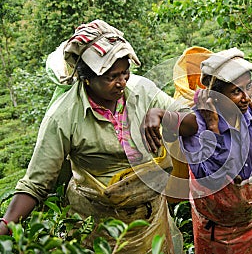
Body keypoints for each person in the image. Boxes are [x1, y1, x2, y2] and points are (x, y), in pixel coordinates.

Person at [0, 19, 197, 254]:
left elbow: (192, 123)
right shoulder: (64, 116)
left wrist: (162, 115)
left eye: (125, 73)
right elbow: (36, 183)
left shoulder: (142, 91)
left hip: (150, 219)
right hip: (98, 226)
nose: (121, 82)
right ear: (87, 78)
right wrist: (6, 225)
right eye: (111, 77)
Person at [179, 47, 252, 253]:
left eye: (247, 87)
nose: (245, 97)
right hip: (215, 228)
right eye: (235, 91)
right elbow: (210, 178)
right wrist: (214, 129)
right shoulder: (197, 124)